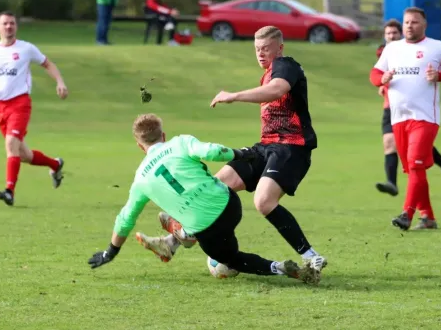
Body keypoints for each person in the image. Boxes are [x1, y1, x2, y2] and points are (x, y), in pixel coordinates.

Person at [141, 26, 327, 274]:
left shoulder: (286, 66)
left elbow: (277, 90)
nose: (261, 54)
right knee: (214, 187)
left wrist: (234, 95)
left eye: (266, 49)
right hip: (265, 147)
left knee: (263, 201)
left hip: (291, 148)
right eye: (257, 49)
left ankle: (311, 256)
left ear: (279, 48)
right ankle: (172, 243)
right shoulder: (268, 73)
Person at [87, 114, 321, 284]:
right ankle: (177, 236)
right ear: (163, 135)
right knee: (209, 196)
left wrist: (111, 252)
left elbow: (126, 217)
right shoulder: (179, 142)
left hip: (207, 230)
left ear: (140, 146)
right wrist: (240, 154)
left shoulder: (140, 179)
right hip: (229, 205)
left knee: (233, 259)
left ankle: (278, 267)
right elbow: (211, 151)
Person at [370, 7, 441, 230]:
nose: (409, 26)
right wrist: (381, 79)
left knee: (415, 164)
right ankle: (428, 217)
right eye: (406, 23)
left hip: (424, 118)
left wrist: (440, 76)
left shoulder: (437, 47)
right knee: (414, 169)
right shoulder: (392, 49)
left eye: (414, 22)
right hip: (398, 118)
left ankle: (407, 213)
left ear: (424, 25)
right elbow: (374, 74)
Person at [0, 11, 69, 206]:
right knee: (23, 155)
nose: (8, 27)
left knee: (11, 144)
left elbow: (47, 64)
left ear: (16, 26)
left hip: (19, 104)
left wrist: (60, 81)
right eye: (5, 23)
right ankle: (55, 164)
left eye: (12, 23)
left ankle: (9, 191)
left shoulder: (26, 49)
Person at [375, 19, 441, 196]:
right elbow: (378, 73)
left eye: (394, 33)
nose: (391, 36)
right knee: (389, 143)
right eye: (388, 34)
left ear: (401, 34)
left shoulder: (413, 51)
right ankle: (391, 183)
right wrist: (381, 82)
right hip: (391, 106)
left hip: (415, 107)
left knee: (418, 146)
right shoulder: (384, 52)